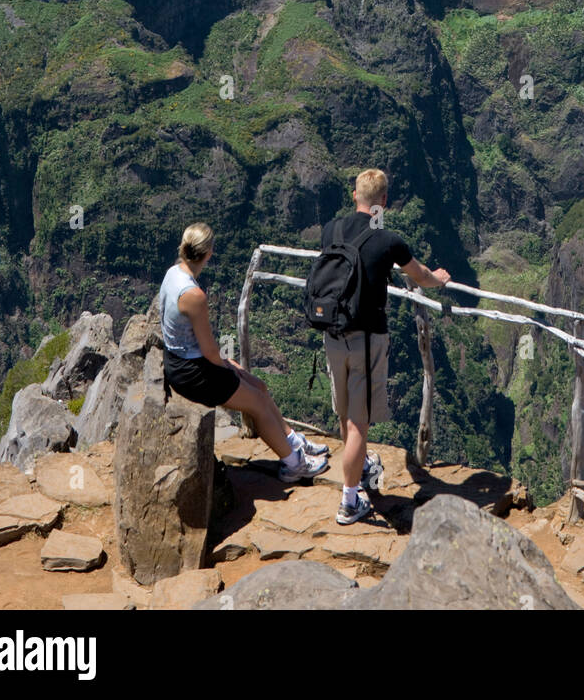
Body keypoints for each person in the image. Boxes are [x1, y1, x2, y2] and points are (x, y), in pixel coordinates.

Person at [321, 169, 451, 525]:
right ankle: (349, 501)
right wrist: (437, 280)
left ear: (353, 196)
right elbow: (419, 274)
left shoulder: (330, 230)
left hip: (332, 333)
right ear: (384, 202)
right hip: (366, 338)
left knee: (345, 411)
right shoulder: (388, 240)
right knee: (358, 423)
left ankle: (359, 465)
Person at [160, 221, 329, 483]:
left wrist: (232, 367)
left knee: (259, 386)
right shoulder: (194, 295)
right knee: (257, 403)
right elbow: (209, 351)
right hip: (191, 372)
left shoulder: (173, 273)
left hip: (182, 360)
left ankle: (295, 442)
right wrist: (228, 367)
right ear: (208, 253)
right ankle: (295, 465)